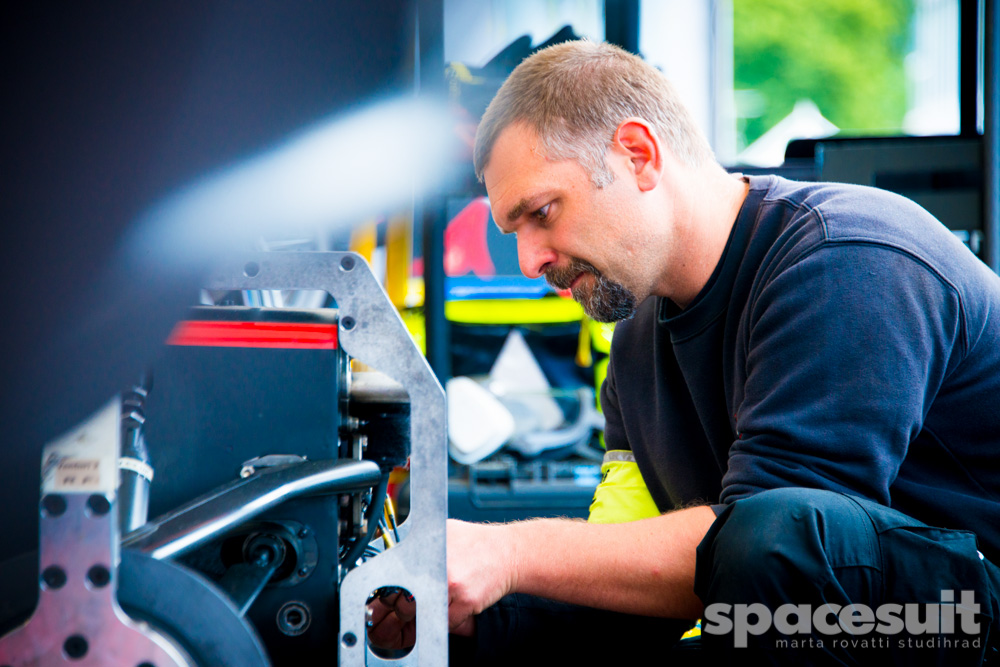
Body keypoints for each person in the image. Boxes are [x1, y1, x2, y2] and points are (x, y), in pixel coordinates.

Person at [369, 40, 1000, 664]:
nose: (530, 260)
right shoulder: (637, 341)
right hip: (828, 623)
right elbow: (624, 562)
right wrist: (467, 615)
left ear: (638, 155)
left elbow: (782, 561)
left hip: (970, 618)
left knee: (772, 539)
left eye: (542, 212)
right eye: (515, 232)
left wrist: (507, 554)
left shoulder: (848, 262)